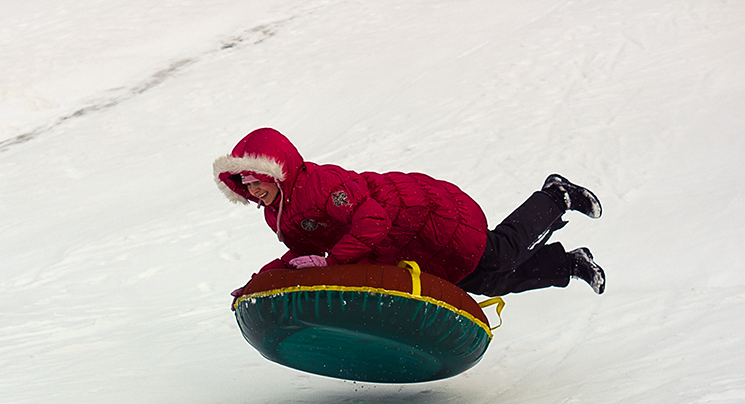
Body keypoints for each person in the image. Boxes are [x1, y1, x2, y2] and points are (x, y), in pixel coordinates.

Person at [214, 128, 606, 301]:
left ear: (276, 169)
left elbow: (373, 221)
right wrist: (259, 285)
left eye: (257, 180)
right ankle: (568, 265)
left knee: (497, 256)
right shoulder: (278, 214)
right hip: (401, 245)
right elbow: (299, 260)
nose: (253, 191)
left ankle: (556, 196)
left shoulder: (319, 184)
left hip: (426, 215)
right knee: (485, 281)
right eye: (245, 185)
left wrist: (333, 261)